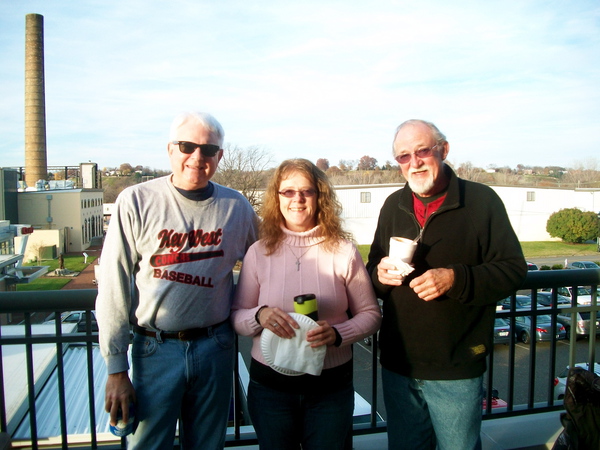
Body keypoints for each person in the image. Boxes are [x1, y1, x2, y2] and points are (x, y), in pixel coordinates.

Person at [96, 112, 259, 450]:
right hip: (154, 350)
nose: (197, 157)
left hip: (216, 346)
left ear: (220, 156)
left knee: (207, 445)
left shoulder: (236, 206)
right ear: (170, 150)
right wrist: (115, 368)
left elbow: (270, 258)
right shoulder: (136, 201)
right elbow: (113, 285)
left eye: (208, 149)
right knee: (148, 445)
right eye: (187, 146)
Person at [366, 119, 527, 450]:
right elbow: (373, 268)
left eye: (422, 151)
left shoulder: (482, 201)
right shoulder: (393, 204)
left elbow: (513, 270)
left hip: (457, 368)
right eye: (403, 156)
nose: (415, 162)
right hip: (400, 365)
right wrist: (379, 276)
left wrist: (456, 278)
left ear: (444, 150)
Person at [231, 158, 382, 450]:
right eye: (287, 191)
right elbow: (237, 316)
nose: (297, 199)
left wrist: (338, 334)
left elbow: (371, 314)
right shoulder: (258, 252)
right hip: (270, 389)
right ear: (277, 197)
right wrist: (259, 316)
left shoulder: (343, 250)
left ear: (319, 196)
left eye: (306, 191)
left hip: (330, 388)